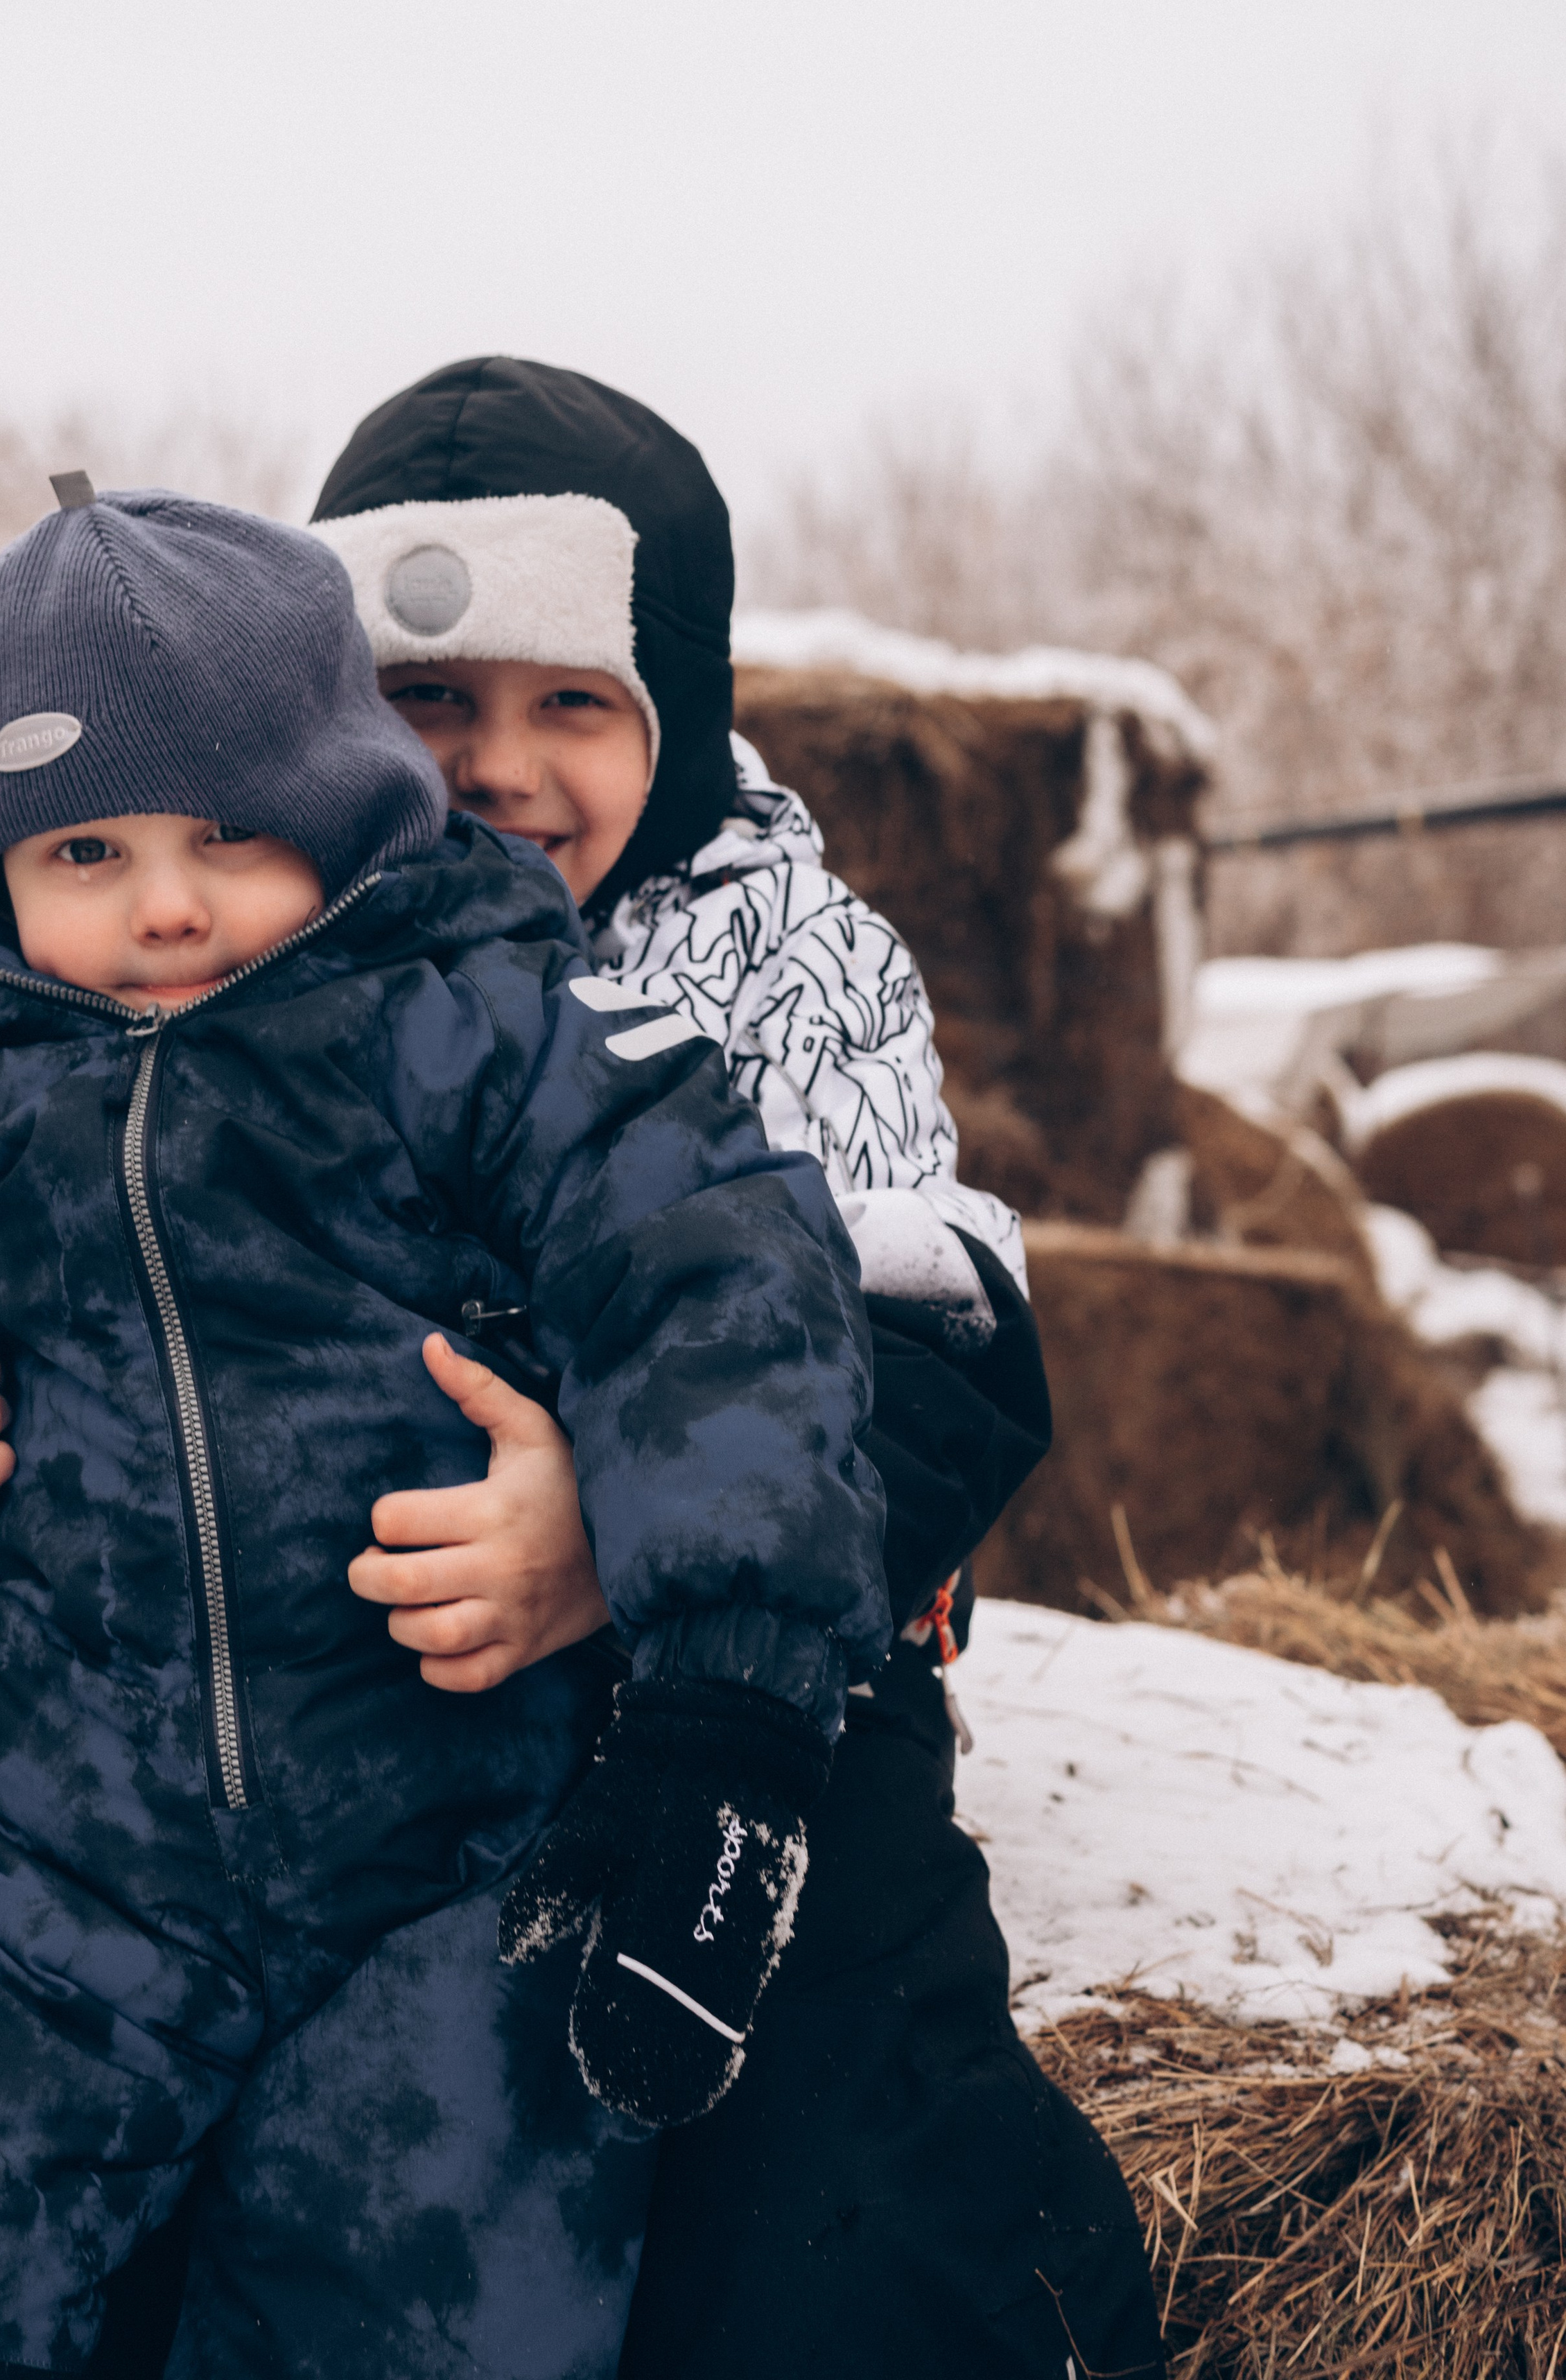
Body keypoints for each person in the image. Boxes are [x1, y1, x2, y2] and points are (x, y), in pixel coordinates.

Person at [0, 482, 893, 2376]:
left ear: (343, 810)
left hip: (454, 1849)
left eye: (230, 833)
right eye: (85, 847)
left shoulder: (478, 1032)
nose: (165, 902)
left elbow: (716, 1273)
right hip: (60, 1852)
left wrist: (730, 1699)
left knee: (436, 2256)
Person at [306, 359, 1167, 2377]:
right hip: (370, 1661)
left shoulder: (783, 960)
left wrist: (617, 1539)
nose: (498, 767)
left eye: (571, 704)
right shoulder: (257, 943)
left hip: (760, 1681)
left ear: (675, 723)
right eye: (430, 701)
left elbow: (920, 1349)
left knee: (830, 2155)